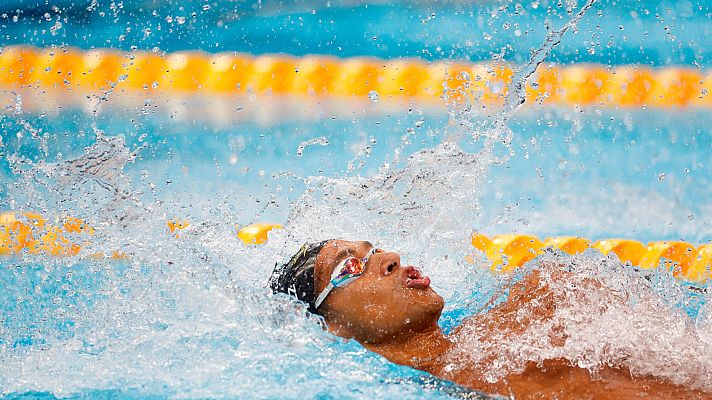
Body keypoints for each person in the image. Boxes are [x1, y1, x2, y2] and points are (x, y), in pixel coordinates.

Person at [269, 240, 711, 399]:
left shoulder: (535, 295)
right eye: (349, 268)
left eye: (374, 249)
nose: (388, 258)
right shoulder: (468, 385)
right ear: (330, 329)